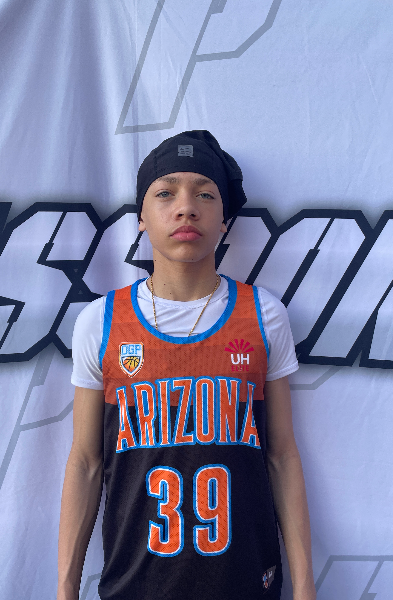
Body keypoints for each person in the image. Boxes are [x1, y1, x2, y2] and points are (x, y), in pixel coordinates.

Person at [57, 130, 316, 600]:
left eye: (204, 194)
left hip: (244, 584)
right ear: (141, 218)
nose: (186, 208)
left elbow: (281, 456)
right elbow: (86, 462)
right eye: (166, 193)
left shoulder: (263, 315)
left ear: (224, 219)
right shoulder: (101, 321)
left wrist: (305, 588)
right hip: (134, 586)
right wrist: (65, 588)